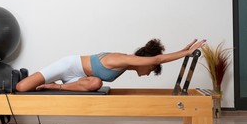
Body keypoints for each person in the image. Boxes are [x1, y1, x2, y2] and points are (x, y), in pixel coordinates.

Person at [15, 38, 206, 92]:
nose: (149, 73)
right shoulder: (122, 59)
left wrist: (183, 51)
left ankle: (54, 87)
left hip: (79, 80)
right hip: (68, 66)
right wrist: (185, 53)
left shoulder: (127, 66)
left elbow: (155, 59)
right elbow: (156, 59)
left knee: (95, 83)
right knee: (20, 87)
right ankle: (26, 75)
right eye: (150, 69)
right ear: (143, 61)